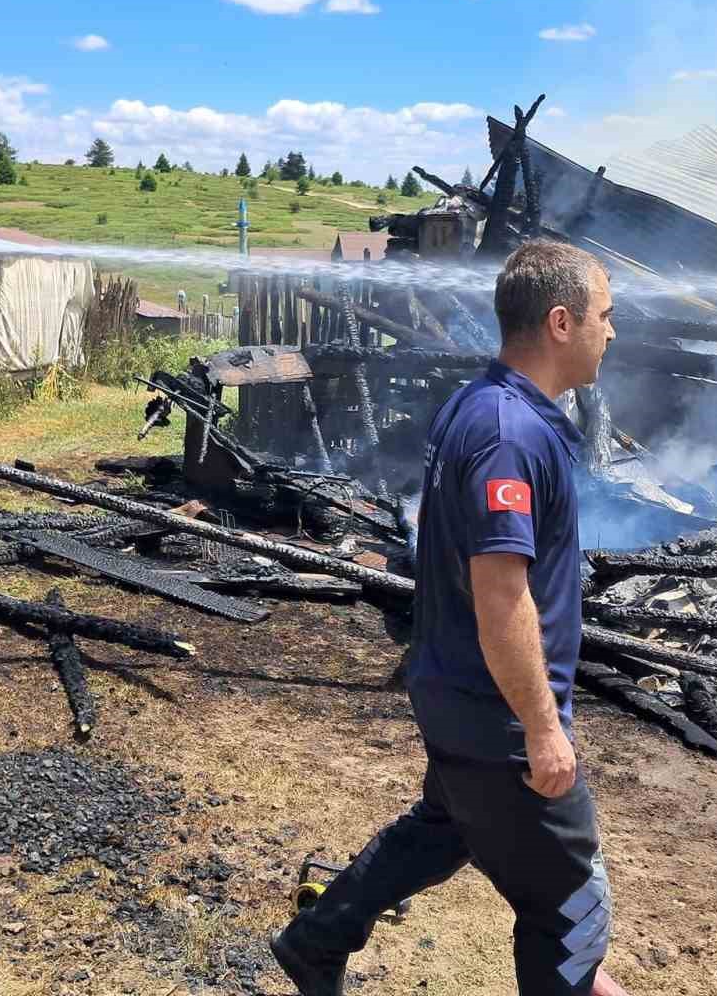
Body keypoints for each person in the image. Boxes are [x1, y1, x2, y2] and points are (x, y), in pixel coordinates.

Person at [271, 241, 627, 996]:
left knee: (447, 828)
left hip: (456, 694)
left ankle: (317, 940)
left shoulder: (486, 404)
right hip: (498, 715)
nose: (612, 332)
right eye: (605, 316)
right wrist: (540, 727)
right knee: (573, 905)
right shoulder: (508, 434)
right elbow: (502, 596)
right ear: (562, 322)